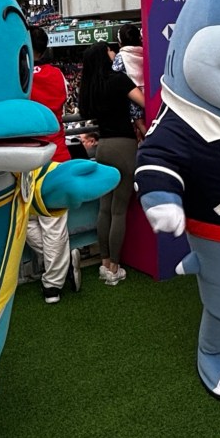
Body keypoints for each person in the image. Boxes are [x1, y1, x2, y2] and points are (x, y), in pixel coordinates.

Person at [78, 41, 145, 285]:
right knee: (119, 210)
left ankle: (104, 262)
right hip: (124, 146)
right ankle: (114, 268)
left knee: (105, 208)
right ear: (104, 55)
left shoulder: (91, 86)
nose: (113, 52)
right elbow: (143, 102)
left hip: (103, 147)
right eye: (109, 49)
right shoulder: (118, 80)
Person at [24, 27, 81, 303]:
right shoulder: (57, 75)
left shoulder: (16, 75)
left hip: (25, 159)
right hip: (56, 156)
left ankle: (53, 284)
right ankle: (60, 267)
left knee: (27, 220)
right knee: (51, 223)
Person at [112, 24, 146, 141]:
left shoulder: (121, 56)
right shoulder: (145, 52)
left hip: (133, 97)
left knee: (141, 126)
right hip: (148, 93)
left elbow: (114, 74)